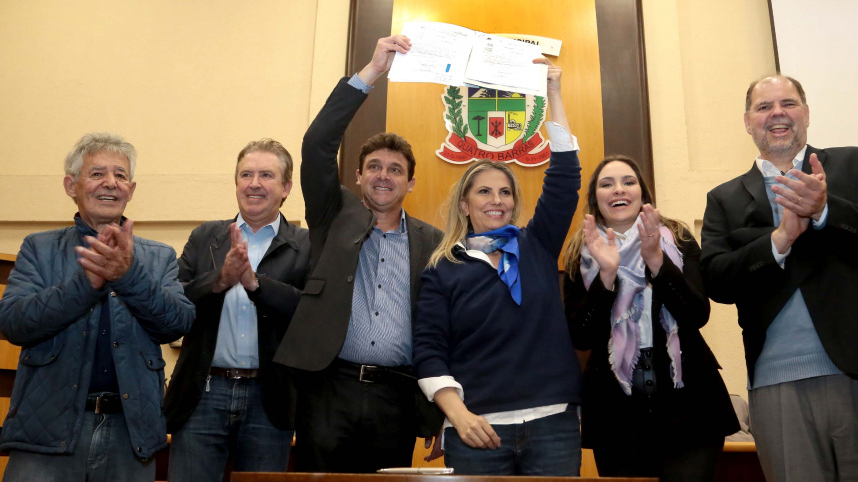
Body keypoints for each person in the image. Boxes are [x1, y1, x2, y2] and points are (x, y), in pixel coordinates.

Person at [700, 75, 858, 482]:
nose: (777, 113)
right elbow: (717, 282)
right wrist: (777, 241)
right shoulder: (724, 199)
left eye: (788, 103)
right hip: (777, 386)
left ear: (807, 113)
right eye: (764, 107)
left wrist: (827, 210)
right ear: (748, 122)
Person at [272, 35, 444, 473]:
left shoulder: (435, 243)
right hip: (330, 388)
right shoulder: (334, 215)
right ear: (358, 175)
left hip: (398, 397)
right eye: (374, 167)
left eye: (395, 170)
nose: (383, 176)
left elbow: (446, 326)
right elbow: (316, 144)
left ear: (411, 183)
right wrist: (371, 73)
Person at [413, 60, 583, 476]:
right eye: (484, 191)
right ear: (465, 205)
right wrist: (458, 415)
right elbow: (430, 352)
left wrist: (553, 93)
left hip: (553, 426)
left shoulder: (537, 245)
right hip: (478, 430)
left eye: (505, 191)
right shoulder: (442, 270)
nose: (497, 200)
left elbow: (564, 178)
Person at [0, 132, 195, 482]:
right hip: (45, 432)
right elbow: (13, 323)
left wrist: (128, 276)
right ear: (71, 185)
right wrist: (84, 286)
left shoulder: (159, 256)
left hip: (130, 432)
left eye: (120, 175)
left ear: (131, 190)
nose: (110, 183)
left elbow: (178, 322)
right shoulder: (38, 248)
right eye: (97, 173)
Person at [563, 155, 738, 481]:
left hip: (690, 408)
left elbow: (697, 314)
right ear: (595, 198)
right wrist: (607, 275)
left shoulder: (677, 238)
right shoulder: (580, 252)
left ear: (642, 194)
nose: (619, 189)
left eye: (628, 182)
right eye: (607, 183)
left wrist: (657, 261)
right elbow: (581, 336)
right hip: (616, 414)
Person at [164, 139, 309, 481]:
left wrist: (256, 285)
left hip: (269, 400)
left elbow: (310, 316)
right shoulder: (206, 237)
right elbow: (173, 301)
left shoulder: (306, 245)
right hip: (203, 394)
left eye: (266, 175)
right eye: (246, 174)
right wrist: (220, 280)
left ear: (286, 187)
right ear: (236, 183)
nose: (254, 183)